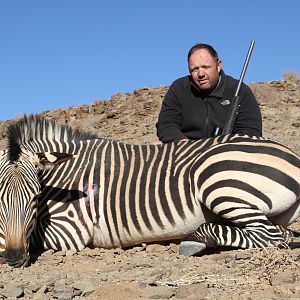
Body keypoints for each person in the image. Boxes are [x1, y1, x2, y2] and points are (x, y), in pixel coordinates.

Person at [156, 43, 262, 143]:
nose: (200, 74)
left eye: (206, 67)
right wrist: (183, 143)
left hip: (228, 150)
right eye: (194, 69)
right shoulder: (179, 88)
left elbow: (251, 132)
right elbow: (166, 124)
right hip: (188, 150)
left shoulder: (240, 90)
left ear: (219, 65)